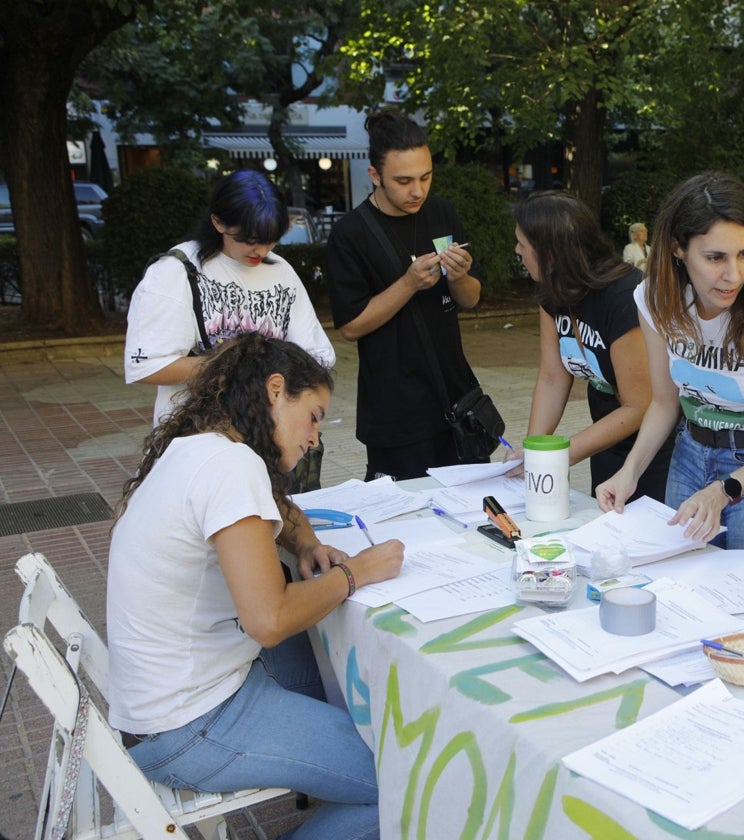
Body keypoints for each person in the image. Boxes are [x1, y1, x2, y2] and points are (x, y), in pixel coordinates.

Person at [107, 333, 405, 839]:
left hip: (160, 705)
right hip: (189, 724)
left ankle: (323, 754)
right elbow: (269, 620)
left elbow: (277, 509)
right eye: (313, 415)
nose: (315, 437)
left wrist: (306, 543)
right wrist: (356, 573)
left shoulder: (203, 447)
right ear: (274, 390)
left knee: (311, 662)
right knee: (404, 781)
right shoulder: (232, 466)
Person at [596, 172, 744, 564]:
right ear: (678, 249)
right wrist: (629, 473)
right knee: (682, 588)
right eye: (715, 257)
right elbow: (665, 402)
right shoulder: (656, 298)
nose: (733, 274)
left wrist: (725, 489)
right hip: (690, 454)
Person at [325, 109, 483, 481]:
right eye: (403, 180)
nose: (418, 191)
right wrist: (408, 284)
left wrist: (459, 277)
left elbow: (471, 299)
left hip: (456, 400)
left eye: (426, 177)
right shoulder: (351, 234)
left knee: (472, 514)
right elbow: (350, 326)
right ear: (375, 176)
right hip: (395, 413)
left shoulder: (441, 212)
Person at [124, 170, 335, 427]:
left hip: (268, 437)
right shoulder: (176, 271)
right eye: (250, 240)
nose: (262, 251)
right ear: (218, 222)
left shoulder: (280, 270)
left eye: (271, 241)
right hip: (197, 436)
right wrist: (242, 367)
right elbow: (147, 366)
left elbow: (315, 354)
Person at [510, 193, 673, 499]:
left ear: (550, 253)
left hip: (654, 447)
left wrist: (563, 454)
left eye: (523, 243)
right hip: (606, 437)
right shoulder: (552, 289)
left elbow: (640, 404)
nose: (517, 251)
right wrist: (534, 451)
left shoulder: (623, 297)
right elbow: (552, 377)